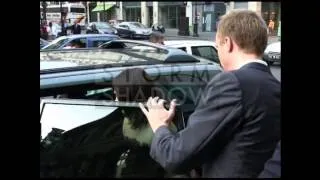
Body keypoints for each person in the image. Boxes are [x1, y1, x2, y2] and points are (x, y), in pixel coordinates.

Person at [139, 10, 281, 178]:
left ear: (227, 43)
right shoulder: (274, 86)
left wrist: (159, 125)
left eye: (218, 45)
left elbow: (176, 157)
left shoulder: (231, 83)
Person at [112, 68, 180, 177]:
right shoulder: (127, 120)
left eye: (117, 95)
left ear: (130, 96)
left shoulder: (160, 127)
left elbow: (173, 166)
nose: (115, 100)